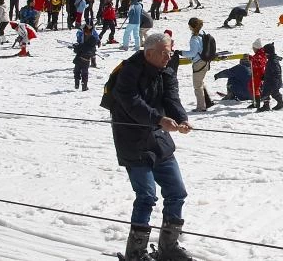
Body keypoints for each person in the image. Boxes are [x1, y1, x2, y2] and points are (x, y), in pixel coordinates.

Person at [108, 33, 193, 261]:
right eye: (165, 53)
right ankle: (135, 253)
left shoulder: (166, 70)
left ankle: (168, 246)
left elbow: (172, 99)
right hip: (132, 140)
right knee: (146, 195)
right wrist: (159, 120)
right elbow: (131, 103)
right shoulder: (129, 71)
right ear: (149, 53)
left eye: (170, 52)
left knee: (177, 192)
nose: (169, 56)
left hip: (158, 139)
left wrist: (181, 119)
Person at [184, 18, 214, 112]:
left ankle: (201, 107)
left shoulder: (194, 38)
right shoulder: (203, 33)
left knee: (197, 86)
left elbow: (192, 53)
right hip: (206, 61)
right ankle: (208, 102)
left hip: (198, 63)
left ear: (192, 26)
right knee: (200, 82)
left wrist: (181, 53)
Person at [257, 42, 283, 111]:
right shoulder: (272, 59)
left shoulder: (273, 61)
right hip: (272, 80)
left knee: (265, 93)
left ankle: (266, 106)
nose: (264, 54)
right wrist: (264, 76)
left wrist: (274, 80)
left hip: (272, 82)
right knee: (274, 93)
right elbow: (270, 71)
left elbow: (276, 72)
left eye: (265, 53)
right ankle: (280, 103)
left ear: (268, 53)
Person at [73, 23, 97, 91]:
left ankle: (78, 84)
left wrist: (77, 48)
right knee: (83, 73)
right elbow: (92, 51)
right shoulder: (93, 39)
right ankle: (83, 85)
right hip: (85, 59)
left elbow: (81, 48)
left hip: (80, 58)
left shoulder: (84, 38)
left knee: (77, 71)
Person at [249, 39, 267, 108]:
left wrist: (252, 59)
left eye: (253, 48)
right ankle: (256, 101)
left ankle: (257, 102)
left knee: (254, 88)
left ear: (256, 48)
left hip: (257, 74)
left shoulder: (260, 55)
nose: (253, 49)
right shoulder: (260, 54)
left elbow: (259, 64)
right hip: (257, 73)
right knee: (252, 86)